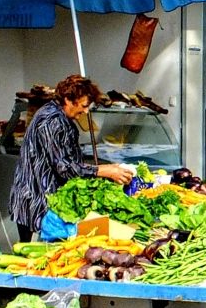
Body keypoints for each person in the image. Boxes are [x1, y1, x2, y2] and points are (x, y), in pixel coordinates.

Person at [9, 75, 133, 241]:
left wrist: (106, 168)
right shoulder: (51, 121)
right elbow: (64, 167)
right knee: (34, 256)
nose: (86, 111)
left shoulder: (60, 116)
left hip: (45, 200)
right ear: (68, 100)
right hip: (37, 202)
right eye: (83, 105)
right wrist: (103, 171)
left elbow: (67, 158)